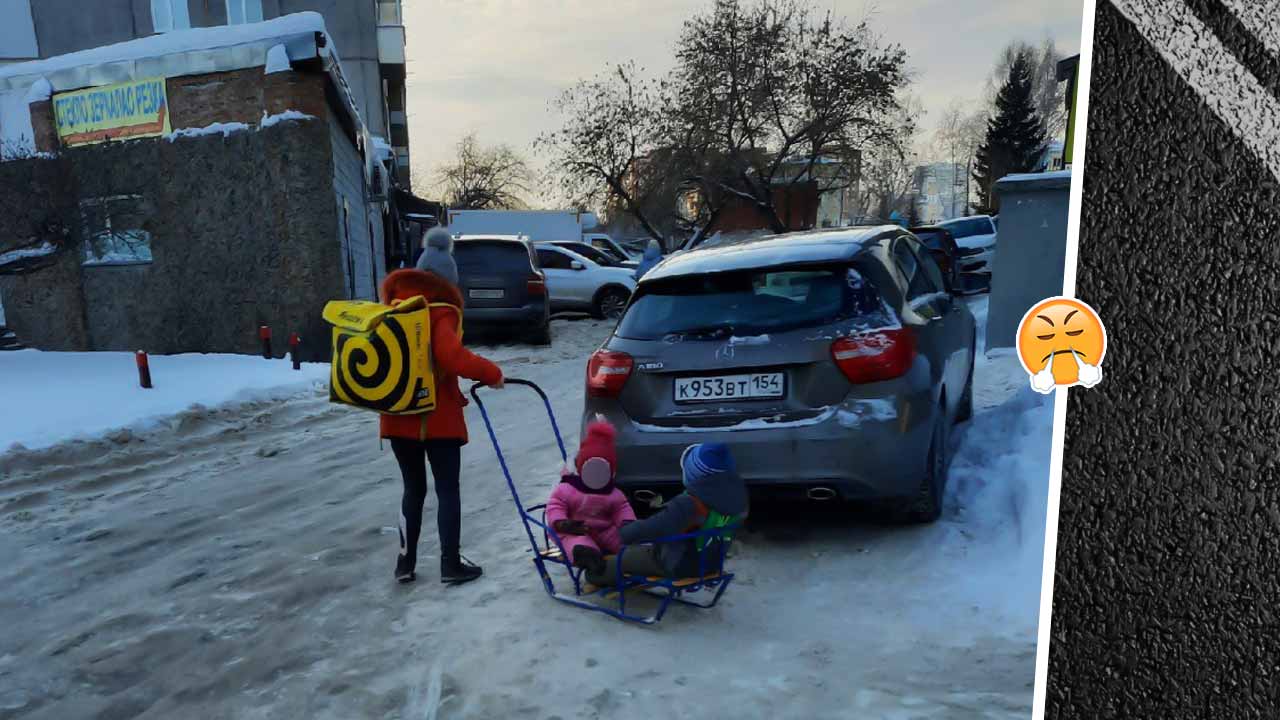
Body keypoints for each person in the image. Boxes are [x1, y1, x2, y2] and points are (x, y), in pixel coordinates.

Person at [381, 227, 504, 585]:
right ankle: (450, 564)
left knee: (412, 490)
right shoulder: (440, 310)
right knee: (447, 489)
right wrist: (492, 373)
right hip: (437, 420)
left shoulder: (394, 308)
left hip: (398, 416)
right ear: (447, 279)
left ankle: (405, 563)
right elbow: (450, 356)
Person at [586, 442, 747, 588]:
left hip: (674, 563)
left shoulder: (691, 504)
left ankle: (602, 576)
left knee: (601, 567)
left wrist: (619, 534)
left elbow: (651, 528)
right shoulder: (739, 500)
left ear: (696, 475)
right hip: (711, 562)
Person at [545, 418, 636, 577]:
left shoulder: (613, 493)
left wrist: (627, 523)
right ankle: (588, 558)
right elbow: (555, 505)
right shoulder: (568, 488)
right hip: (575, 529)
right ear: (581, 466)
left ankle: (634, 559)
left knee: (624, 542)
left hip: (605, 529)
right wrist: (561, 522)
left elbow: (622, 508)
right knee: (577, 543)